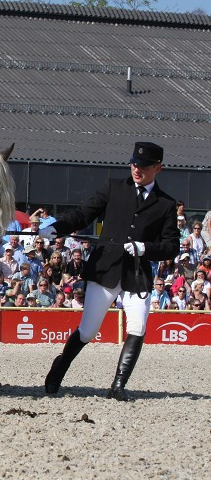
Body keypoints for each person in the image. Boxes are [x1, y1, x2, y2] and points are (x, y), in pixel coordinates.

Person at [41, 141, 179, 402]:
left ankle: (118, 385)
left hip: (137, 276)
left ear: (158, 168)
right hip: (105, 270)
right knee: (88, 331)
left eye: (144, 166)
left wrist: (144, 248)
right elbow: (84, 214)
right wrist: (56, 227)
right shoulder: (113, 187)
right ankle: (60, 367)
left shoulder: (166, 204)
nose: (136, 169)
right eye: (134, 163)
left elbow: (171, 246)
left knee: (137, 327)